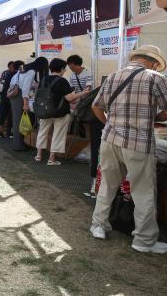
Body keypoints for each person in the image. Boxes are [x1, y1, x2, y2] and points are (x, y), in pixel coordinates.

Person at [90, 45, 167, 254]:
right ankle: (144, 240)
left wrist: (108, 124)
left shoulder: (114, 75)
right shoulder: (154, 77)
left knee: (107, 184)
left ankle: (99, 225)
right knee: (143, 191)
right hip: (138, 143)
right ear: (152, 62)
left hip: (110, 140)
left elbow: (96, 106)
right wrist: (157, 117)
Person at [34, 59, 88, 165]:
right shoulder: (62, 81)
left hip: (44, 111)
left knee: (42, 132)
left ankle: (39, 155)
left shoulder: (43, 79)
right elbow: (69, 98)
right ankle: (51, 159)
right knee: (58, 135)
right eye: (64, 69)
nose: (65, 71)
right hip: (60, 112)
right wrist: (82, 93)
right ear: (62, 69)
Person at [66, 55, 99, 195]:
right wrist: (74, 101)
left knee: (86, 125)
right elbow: (72, 90)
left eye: (71, 65)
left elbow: (89, 90)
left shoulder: (88, 73)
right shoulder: (72, 75)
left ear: (77, 64)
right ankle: (80, 142)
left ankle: (84, 143)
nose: (70, 68)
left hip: (86, 104)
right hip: (79, 103)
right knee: (78, 123)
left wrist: (78, 102)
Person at [11, 57, 49, 151]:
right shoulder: (32, 71)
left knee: (18, 121)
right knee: (18, 121)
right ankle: (18, 146)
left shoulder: (25, 68)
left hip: (15, 95)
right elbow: (25, 89)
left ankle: (21, 144)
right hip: (19, 96)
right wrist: (25, 104)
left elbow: (23, 82)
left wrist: (35, 85)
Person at [0, 61, 23, 138]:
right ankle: (10, 132)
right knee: (11, 114)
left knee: (2, 113)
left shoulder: (9, 74)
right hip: (12, 97)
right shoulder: (18, 75)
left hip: (4, 95)